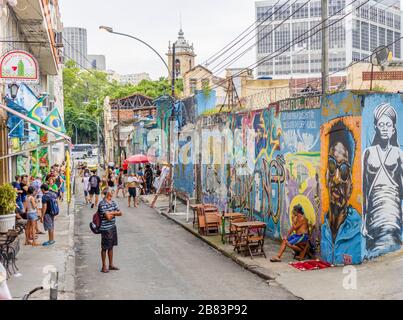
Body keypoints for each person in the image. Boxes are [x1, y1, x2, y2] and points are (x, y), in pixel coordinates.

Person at [363, 103, 403, 258]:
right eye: (381, 124)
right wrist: (363, 222)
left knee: (392, 245)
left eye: (388, 124)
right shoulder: (368, 153)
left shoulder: (399, 154)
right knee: (374, 250)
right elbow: (364, 189)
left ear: (393, 128)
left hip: (393, 216)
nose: (385, 128)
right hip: (374, 218)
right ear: (375, 127)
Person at [321, 121, 362, 265]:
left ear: (351, 184)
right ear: (326, 175)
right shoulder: (323, 228)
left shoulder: (358, 232)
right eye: (332, 166)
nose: (337, 179)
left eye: (344, 170)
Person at [98, 188, 122, 273]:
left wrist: (111, 213)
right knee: (104, 248)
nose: (113, 193)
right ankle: (104, 266)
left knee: (111, 246)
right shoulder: (102, 204)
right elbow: (107, 218)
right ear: (108, 193)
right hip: (105, 228)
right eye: (111, 192)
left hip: (112, 227)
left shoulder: (113, 202)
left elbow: (120, 213)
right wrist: (114, 212)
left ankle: (111, 265)